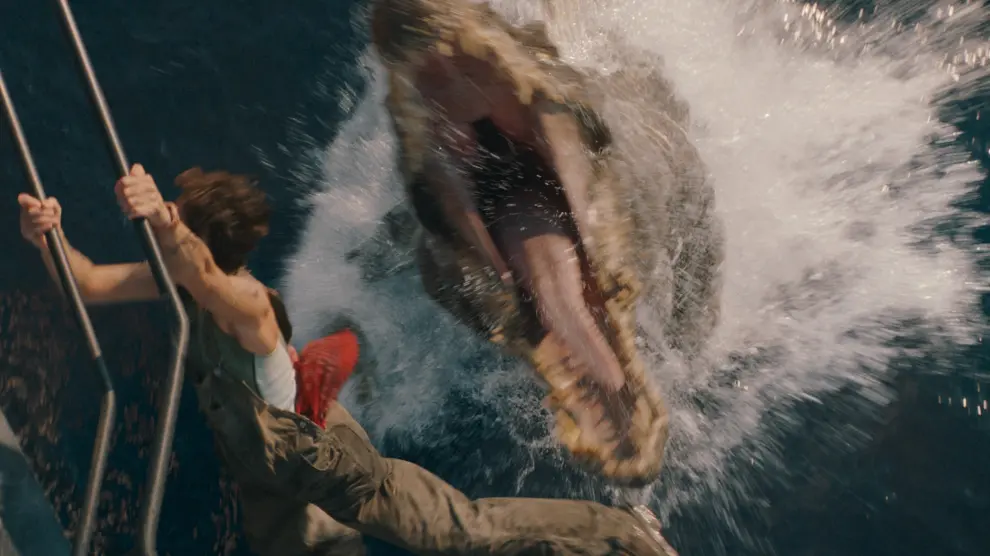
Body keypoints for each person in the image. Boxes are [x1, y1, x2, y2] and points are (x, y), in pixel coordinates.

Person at [17, 164, 678, 555]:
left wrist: (164, 224)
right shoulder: (184, 285)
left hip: (325, 461)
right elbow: (89, 283)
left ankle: (622, 532)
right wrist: (47, 236)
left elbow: (204, 273)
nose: (165, 219)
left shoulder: (245, 304)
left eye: (178, 216)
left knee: (457, 531)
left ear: (200, 241)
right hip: (263, 465)